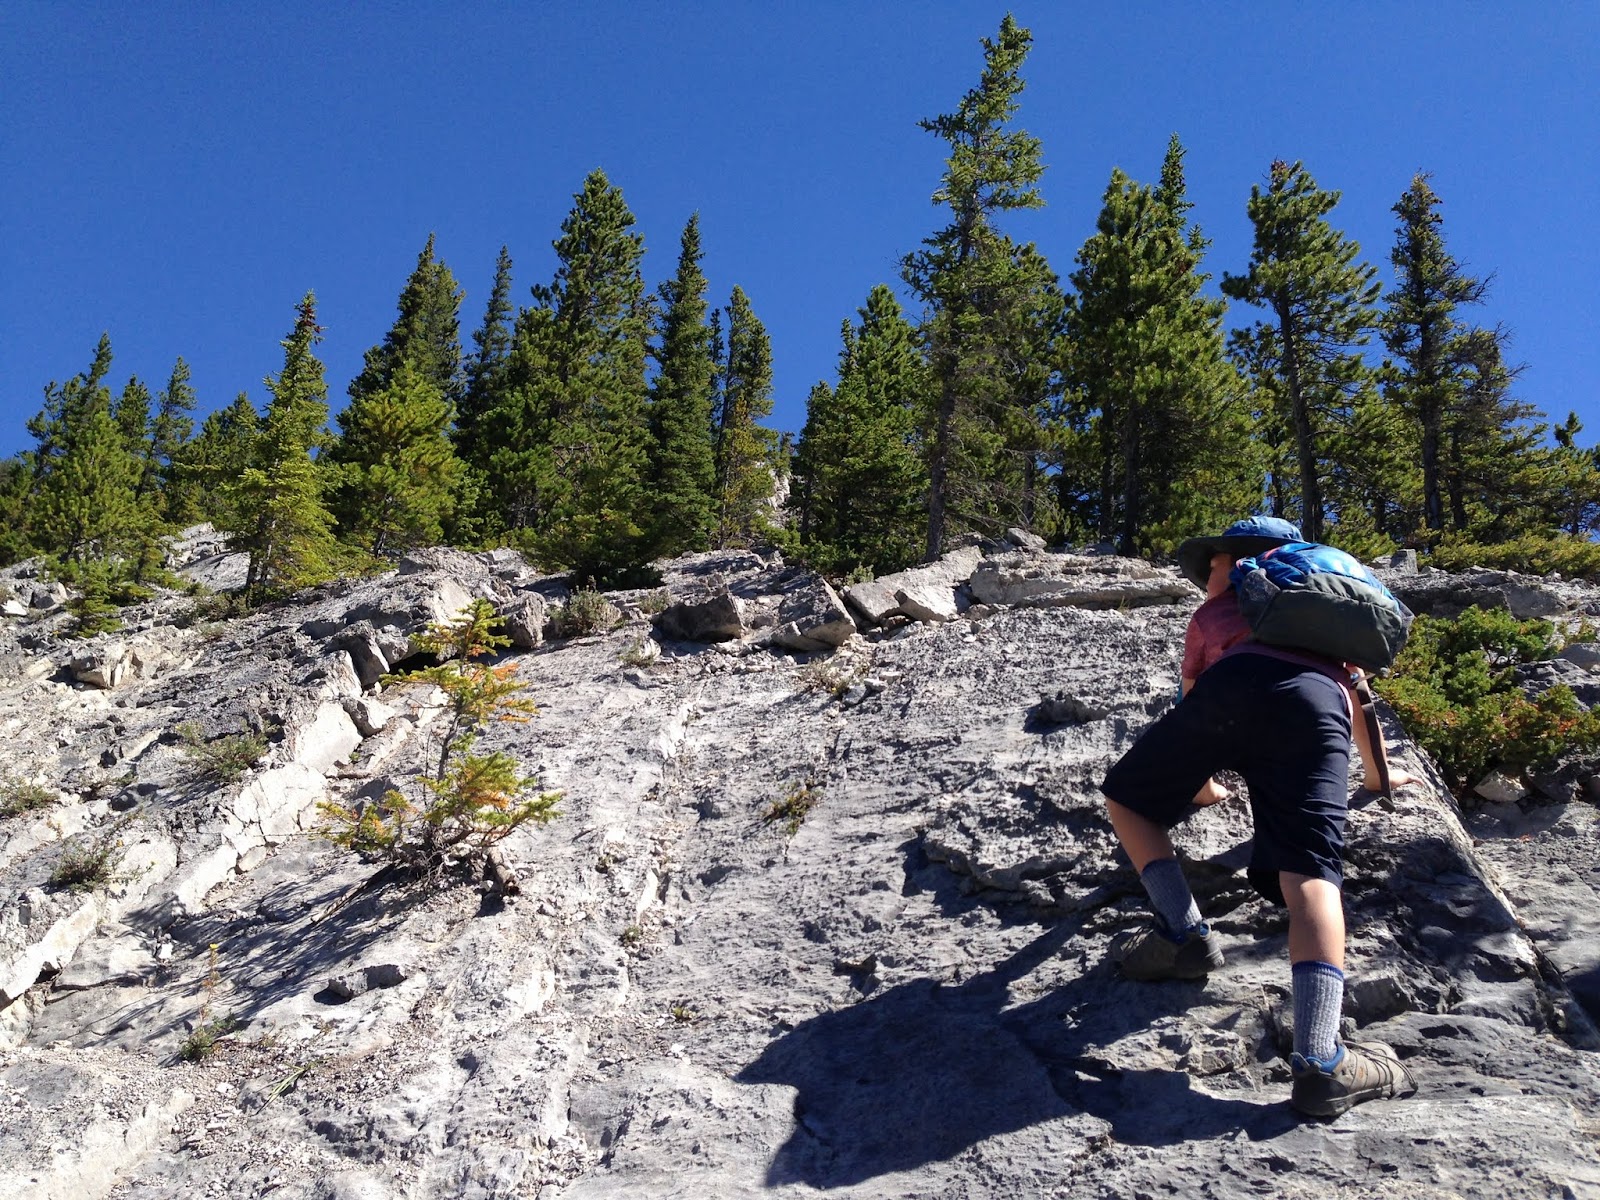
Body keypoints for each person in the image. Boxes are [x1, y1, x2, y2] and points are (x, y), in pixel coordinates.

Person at [1099, 516, 1419, 1119]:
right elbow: (1359, 702)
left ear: (1240, 562)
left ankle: (1185, 935)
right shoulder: (1319, 611)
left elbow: (1194, 700)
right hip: (1315, 701)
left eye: (1214, 564)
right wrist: (1378, 778)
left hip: (1232, 687)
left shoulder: (1214, 615)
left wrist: (1201, 785)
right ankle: (1322, 1062)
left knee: (1129, 799)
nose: (1207, 576)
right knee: (1311, 874)